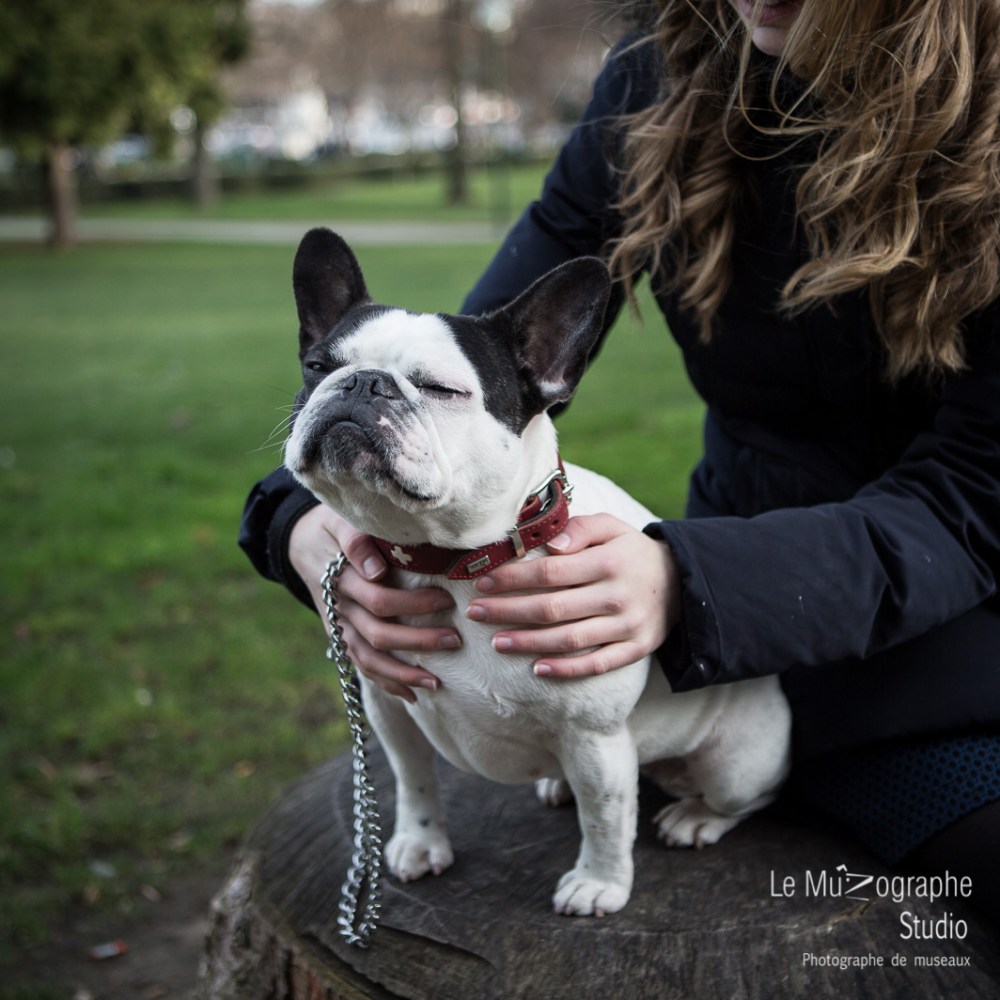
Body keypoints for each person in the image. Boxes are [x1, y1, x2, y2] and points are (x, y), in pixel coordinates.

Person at [240, 0, 1000, 925]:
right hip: (688, 652)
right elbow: (477, 363)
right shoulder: (663, 70)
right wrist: (301, 526)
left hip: (945, 661)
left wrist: (691, 582)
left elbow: (979, 493)